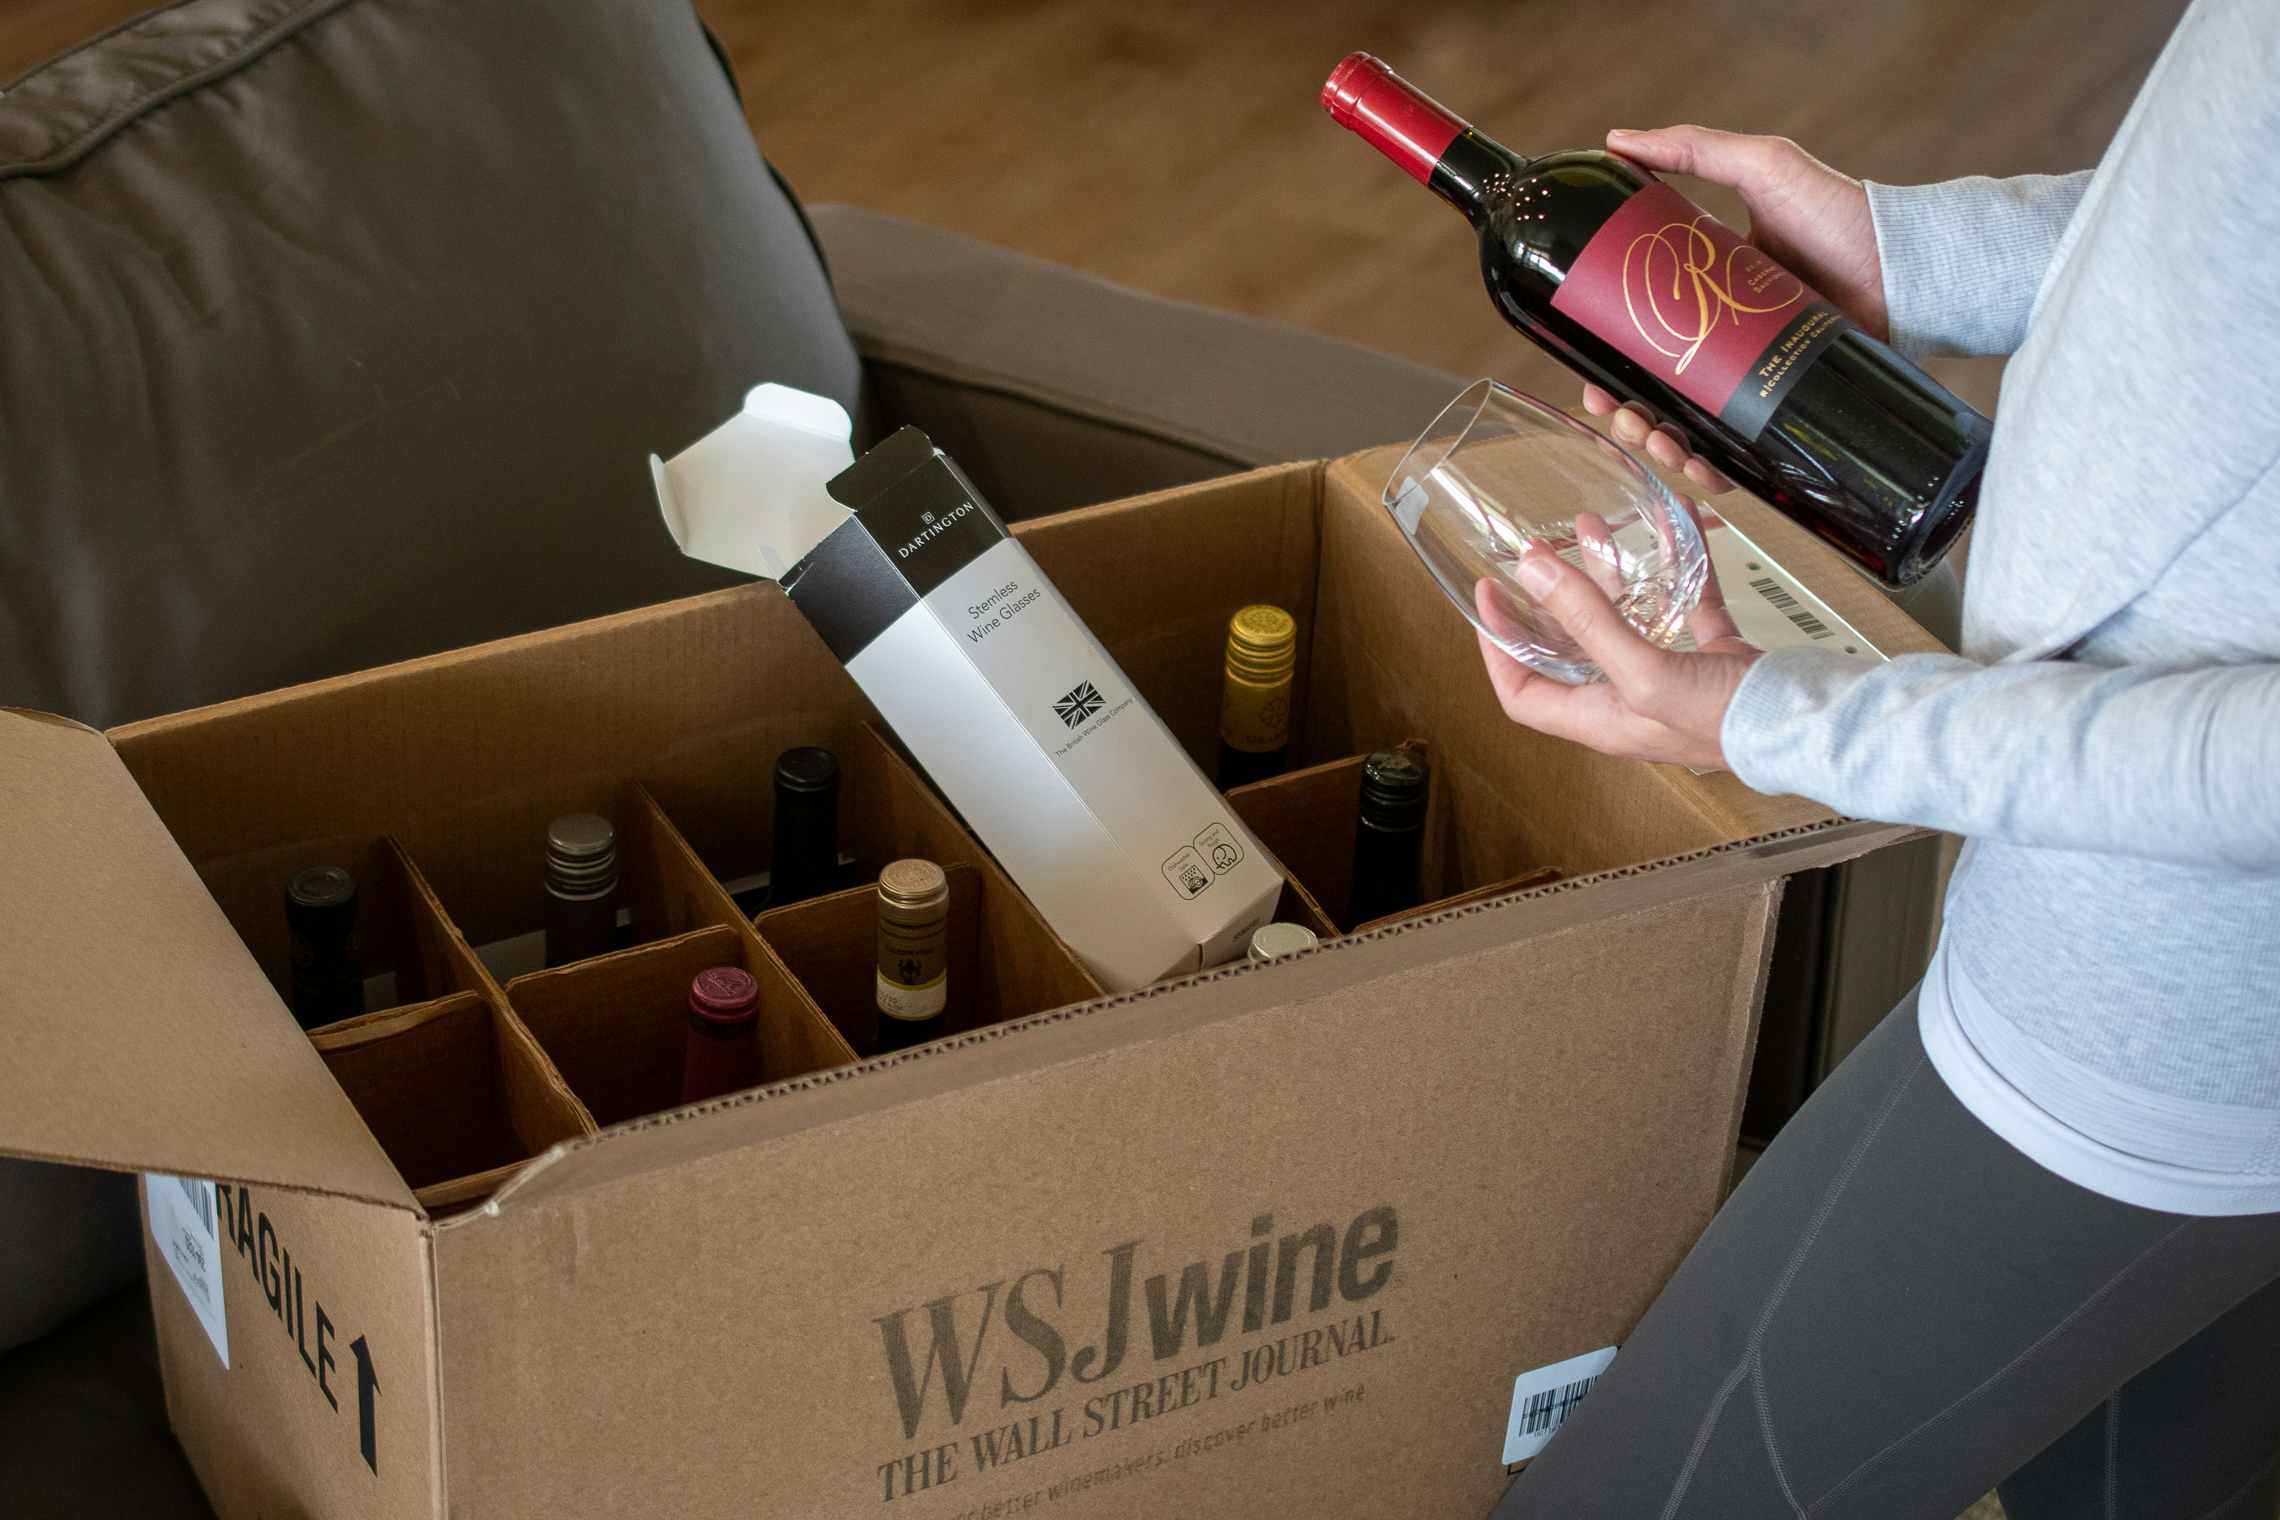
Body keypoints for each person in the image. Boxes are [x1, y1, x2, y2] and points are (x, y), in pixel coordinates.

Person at [1482, 1, 2280, 1515]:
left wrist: (1771, 719)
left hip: (2158, 1034)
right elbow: (2221, 233)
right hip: (2134, 974)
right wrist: (1908, 255)